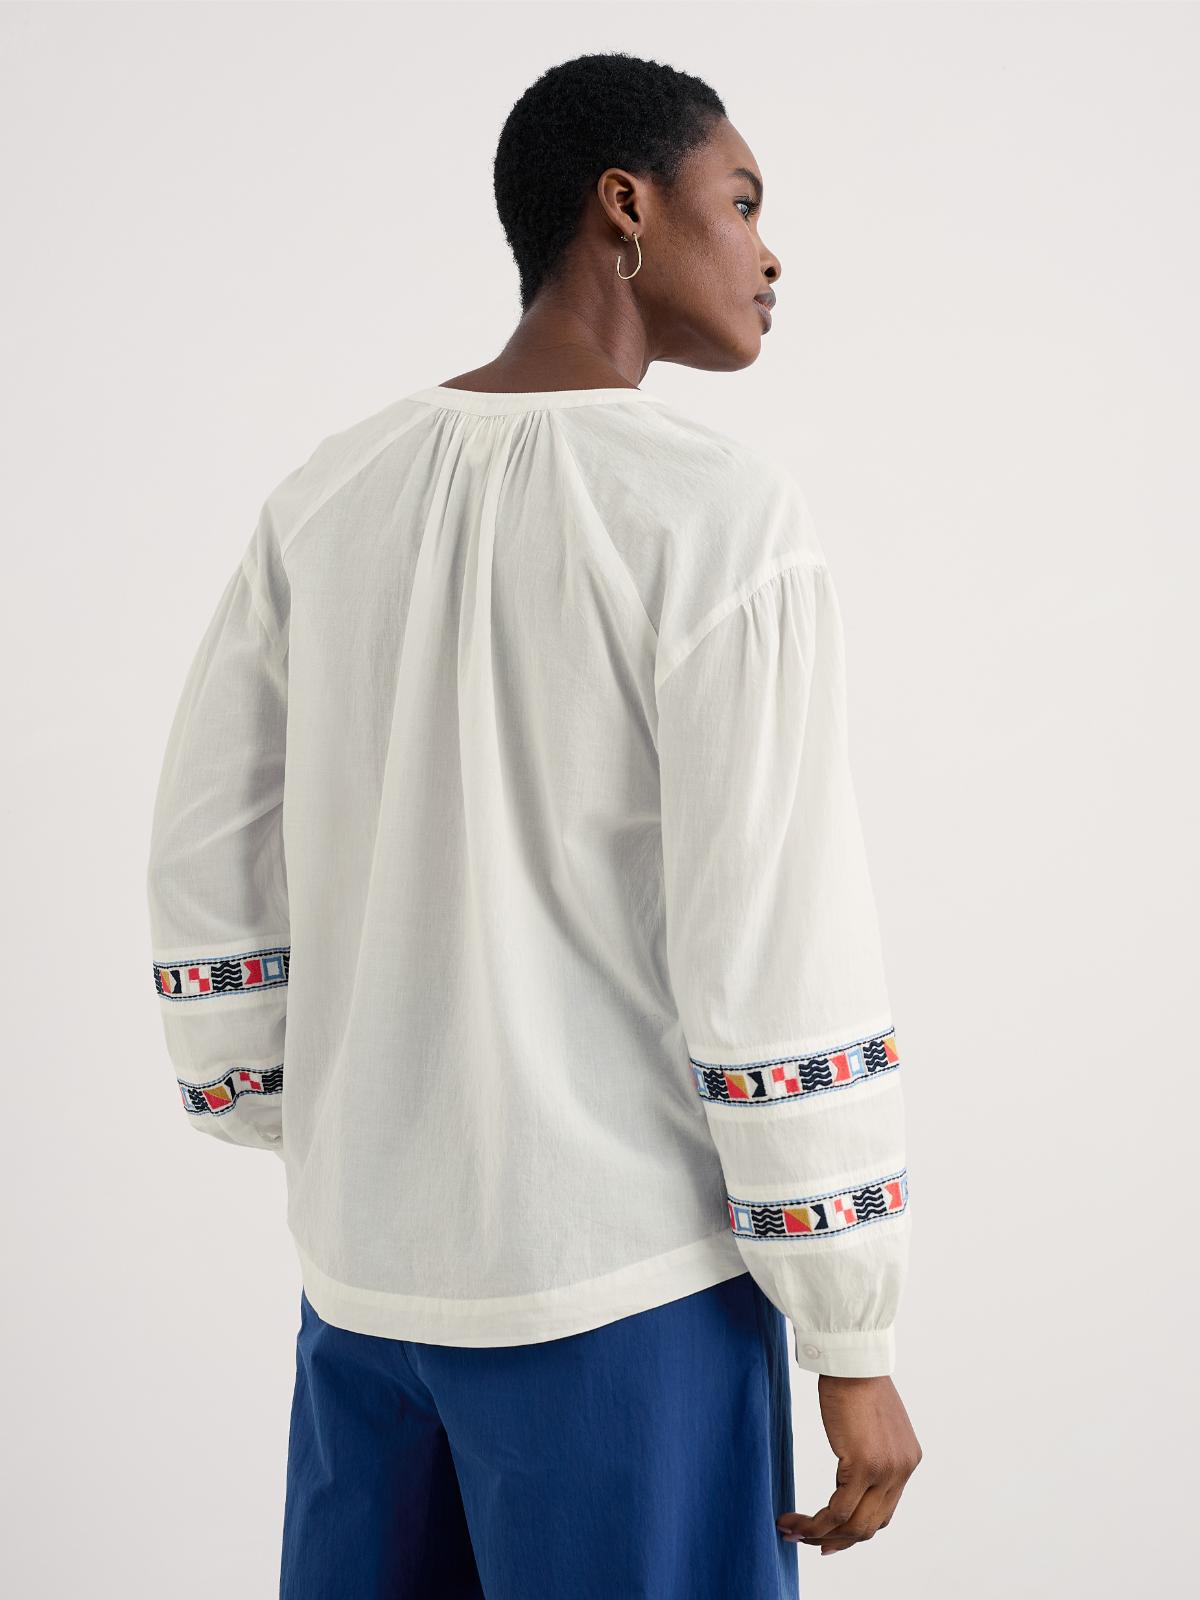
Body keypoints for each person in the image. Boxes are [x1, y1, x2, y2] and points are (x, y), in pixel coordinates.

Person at [146, 49, 922, 1599]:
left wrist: (289, 1099)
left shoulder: (331, 493)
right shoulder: (714, 514)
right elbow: (773, 931)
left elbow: (205, 840)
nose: (770, 253)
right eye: (742, 203)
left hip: (363, 1293)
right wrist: (852, 1328)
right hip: (622, 1296)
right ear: (625, 208)